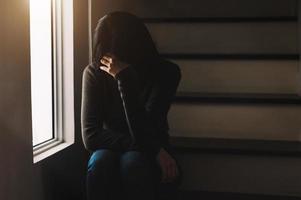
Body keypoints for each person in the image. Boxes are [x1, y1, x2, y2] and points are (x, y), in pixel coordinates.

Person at [81, 11, 183, 200]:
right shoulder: (94, 73)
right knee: (99, 160)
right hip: (130, 146)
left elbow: (148, 128)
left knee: (132, 162)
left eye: (117, 54)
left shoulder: (166, 72)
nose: (110, 60)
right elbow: (91, 136)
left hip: (149, 143)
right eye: (104, 52)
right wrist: (155, 149)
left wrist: (125, 79)